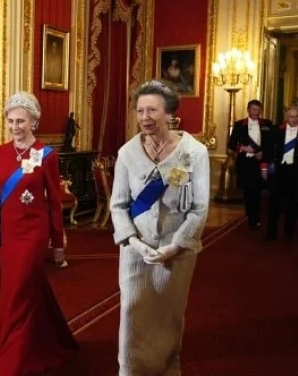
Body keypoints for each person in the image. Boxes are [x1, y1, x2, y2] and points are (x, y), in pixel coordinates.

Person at [109, 80, 210, 376]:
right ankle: (130, 370)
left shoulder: (194, 153)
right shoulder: (127, 153)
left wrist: (175, 246)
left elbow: (199, 208)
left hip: (176, 251)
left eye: (152, 110)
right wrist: (135, 244)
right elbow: (118, 205)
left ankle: (167, 368)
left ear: (169, 113)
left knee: (169, 315)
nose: (145, 117)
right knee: (132, 313)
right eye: (140, 110)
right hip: (135, 249)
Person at [0, 91, 77, 376]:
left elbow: (55, 203)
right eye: (10, 121)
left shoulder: (47, 156)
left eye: (21, 121)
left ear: (34, 121)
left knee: (18, 294)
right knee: (22, 291)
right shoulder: (0, 153)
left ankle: (8, 362)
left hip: (34, 235)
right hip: (8, 236)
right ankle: (52, 341)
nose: (15, 126)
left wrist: (58, 243)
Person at [262, 105, 298, 240]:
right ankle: (271, 232)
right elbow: (267, 150)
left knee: (294, 202)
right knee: (274, 202)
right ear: (286, 117)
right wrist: (264, 167)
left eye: (296, 116)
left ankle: (289, 230)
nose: (294, 119)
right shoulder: (276, 130)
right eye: (291, 116)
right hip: (278, 170)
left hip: (296, 171)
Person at [227, 100, 274, 229]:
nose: (256, 112)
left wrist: (262, 153)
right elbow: (231, 144)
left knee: (258, 190)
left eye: (258, 110)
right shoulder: (240, 124)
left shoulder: (267, 124)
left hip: (261, 162)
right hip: (246, 162)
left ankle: (257, 216)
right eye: (253, 110)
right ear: (248, 110)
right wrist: (243, 148)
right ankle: (252, 218)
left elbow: (271, 143)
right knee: (248, 191)